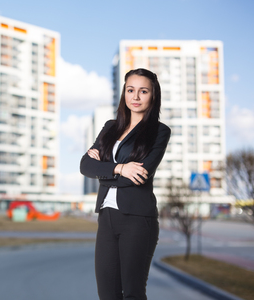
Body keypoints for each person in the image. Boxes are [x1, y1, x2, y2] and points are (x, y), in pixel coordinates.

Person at [80, 68, 171, 299]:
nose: (136, 97)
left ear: (153, 95)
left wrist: (104, 168)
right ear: (124, 93)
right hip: (107, 217)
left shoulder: (159, 132)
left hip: (138, 220)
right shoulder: (111, 127)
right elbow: (85, 166)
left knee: (132, 293)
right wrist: (120, 168)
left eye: (143, 91)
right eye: (131, 90)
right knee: (107, 294)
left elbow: (142, 174)